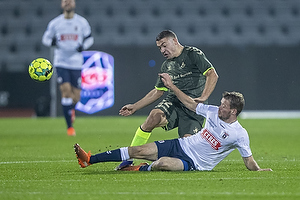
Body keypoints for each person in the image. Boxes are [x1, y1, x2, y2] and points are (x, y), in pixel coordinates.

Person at [74, 73, 272, 172]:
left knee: (162, 164)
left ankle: (139, 169)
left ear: (233, 111)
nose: (219, 108)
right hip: (181, 144)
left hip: (193, 162)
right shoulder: (212, 112)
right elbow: (189, 103)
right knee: (138, 150)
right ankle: (89, 159)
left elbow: (248, 160)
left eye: (223, 107)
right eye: (220, 104)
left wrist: (259, 170)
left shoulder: (239, 134)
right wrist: (171, 86)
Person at [116, 30, 219, 169]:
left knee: (186, 148)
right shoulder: (166, 65)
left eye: (164, 45)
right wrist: (135, 106)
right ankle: (128, 159)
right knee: (154, 116)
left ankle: (157, 162)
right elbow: (158, 91)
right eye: (159, 48)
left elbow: (212, 74)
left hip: (193, 109)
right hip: (174, 102)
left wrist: (204, 97)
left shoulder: (193, 54)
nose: (162, 50)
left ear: (175, 41)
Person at [42, 0, 94, 136]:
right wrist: (52, 42)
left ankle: (71, 110)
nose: (67, 3)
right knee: (65, 92)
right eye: (65, 1)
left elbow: (90, 39)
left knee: (76, 97)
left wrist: (83, 46)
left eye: (70, 1)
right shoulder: (55, 23)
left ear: (74, 4)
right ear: (61, 4)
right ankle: (70, 128)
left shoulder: (82, 22)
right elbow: (45, 38)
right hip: (61, 62)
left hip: (76, 63)